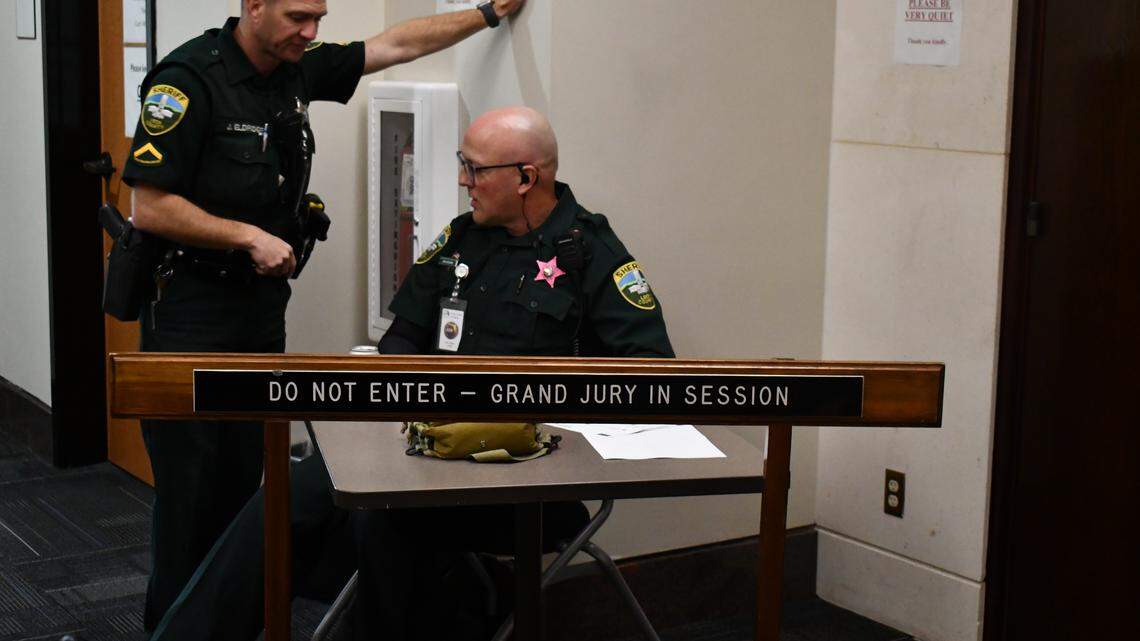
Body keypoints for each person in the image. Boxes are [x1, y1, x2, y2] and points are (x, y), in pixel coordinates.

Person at [148, 106, 674, 640]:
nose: (463, 180)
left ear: (525, 178)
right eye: (462, 163)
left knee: (386, 521)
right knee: (289, 495)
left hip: (521, 477)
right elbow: (402, 338)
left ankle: (449, 604)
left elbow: (653, 375)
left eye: (475, 169)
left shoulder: (590, 255)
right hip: (423, 452)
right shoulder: (462, 240)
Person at [121, 0, 526, 631]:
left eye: (319, 17)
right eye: (297, 17)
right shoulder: (187, 80)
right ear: (254, 7)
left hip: (256, 315)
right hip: (190, 316)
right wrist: (245, 236)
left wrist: (486, 14)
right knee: (190, 499)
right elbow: (148, 206)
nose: (311, 33)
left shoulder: (295, 66)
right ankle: (168, 629)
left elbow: (393, 46)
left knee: (243, 489)